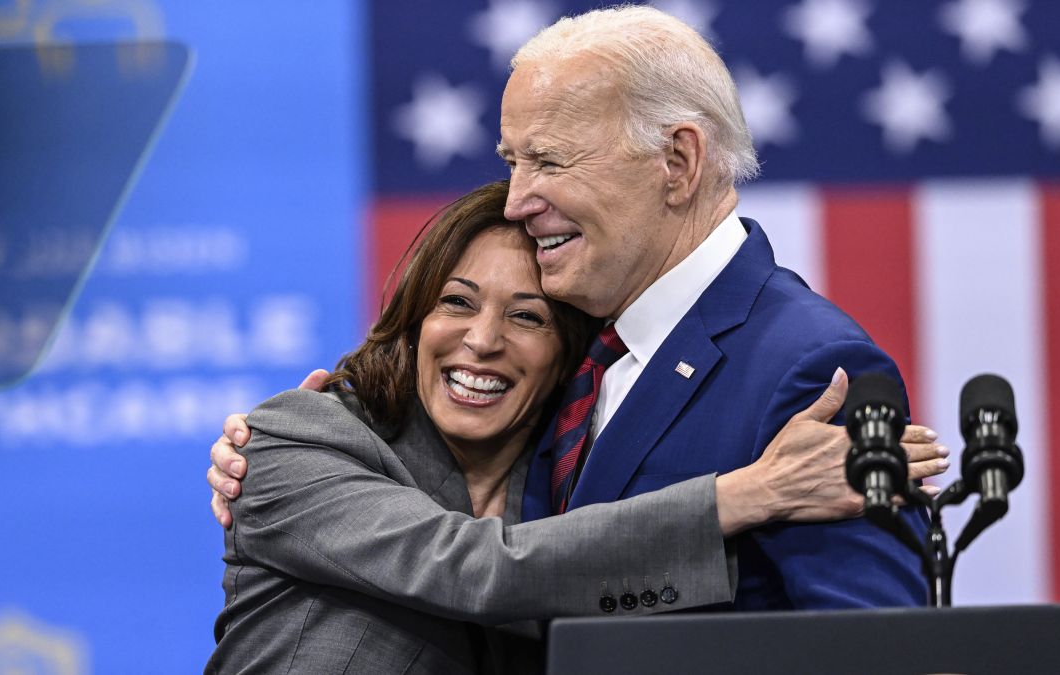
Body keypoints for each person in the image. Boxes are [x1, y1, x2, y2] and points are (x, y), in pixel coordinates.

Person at [213, 5, 945, 614]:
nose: (516, 199)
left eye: (550, 161)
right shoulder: (578, 356)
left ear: (678, 162)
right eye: (511, 161)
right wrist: (298, 444)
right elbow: (488, 554)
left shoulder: (808, 367)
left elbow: (873, 649)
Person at [206, 182, 944, 673]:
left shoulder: (561, 480)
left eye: (526, 316)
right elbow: (479, 568)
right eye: (457, 303)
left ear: (569, 354)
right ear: (413, 318)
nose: (483, 340)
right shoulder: (295, 439)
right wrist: (750, 494)